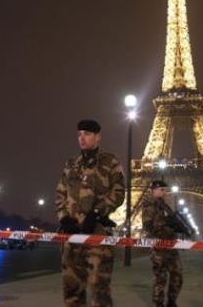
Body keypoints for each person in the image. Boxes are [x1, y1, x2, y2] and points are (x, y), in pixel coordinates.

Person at [55, 119, 125, 307]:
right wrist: (64, 218)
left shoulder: (110, 162)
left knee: (99, 291)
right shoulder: (71, 163)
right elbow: (60, 193)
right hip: (71, 237)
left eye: (86, 134)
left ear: (98, 137)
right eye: (79, 134)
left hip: (97, 236)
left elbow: (118, 192)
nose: (82, 138)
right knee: (71, 291)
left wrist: (96, 212)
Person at [142, 180, 183, 307]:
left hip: (170, 245)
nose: (164, 192)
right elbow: (148, 226)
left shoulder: (163, 205)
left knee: (178, 274)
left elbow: (168, 220)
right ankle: (159, 303)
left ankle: (171, 301)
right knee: (161, 277)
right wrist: (168, 225)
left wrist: (176, 227)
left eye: (165, 190)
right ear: (154, 189)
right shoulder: (149, 205)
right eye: (162, 190)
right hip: (158, 246)